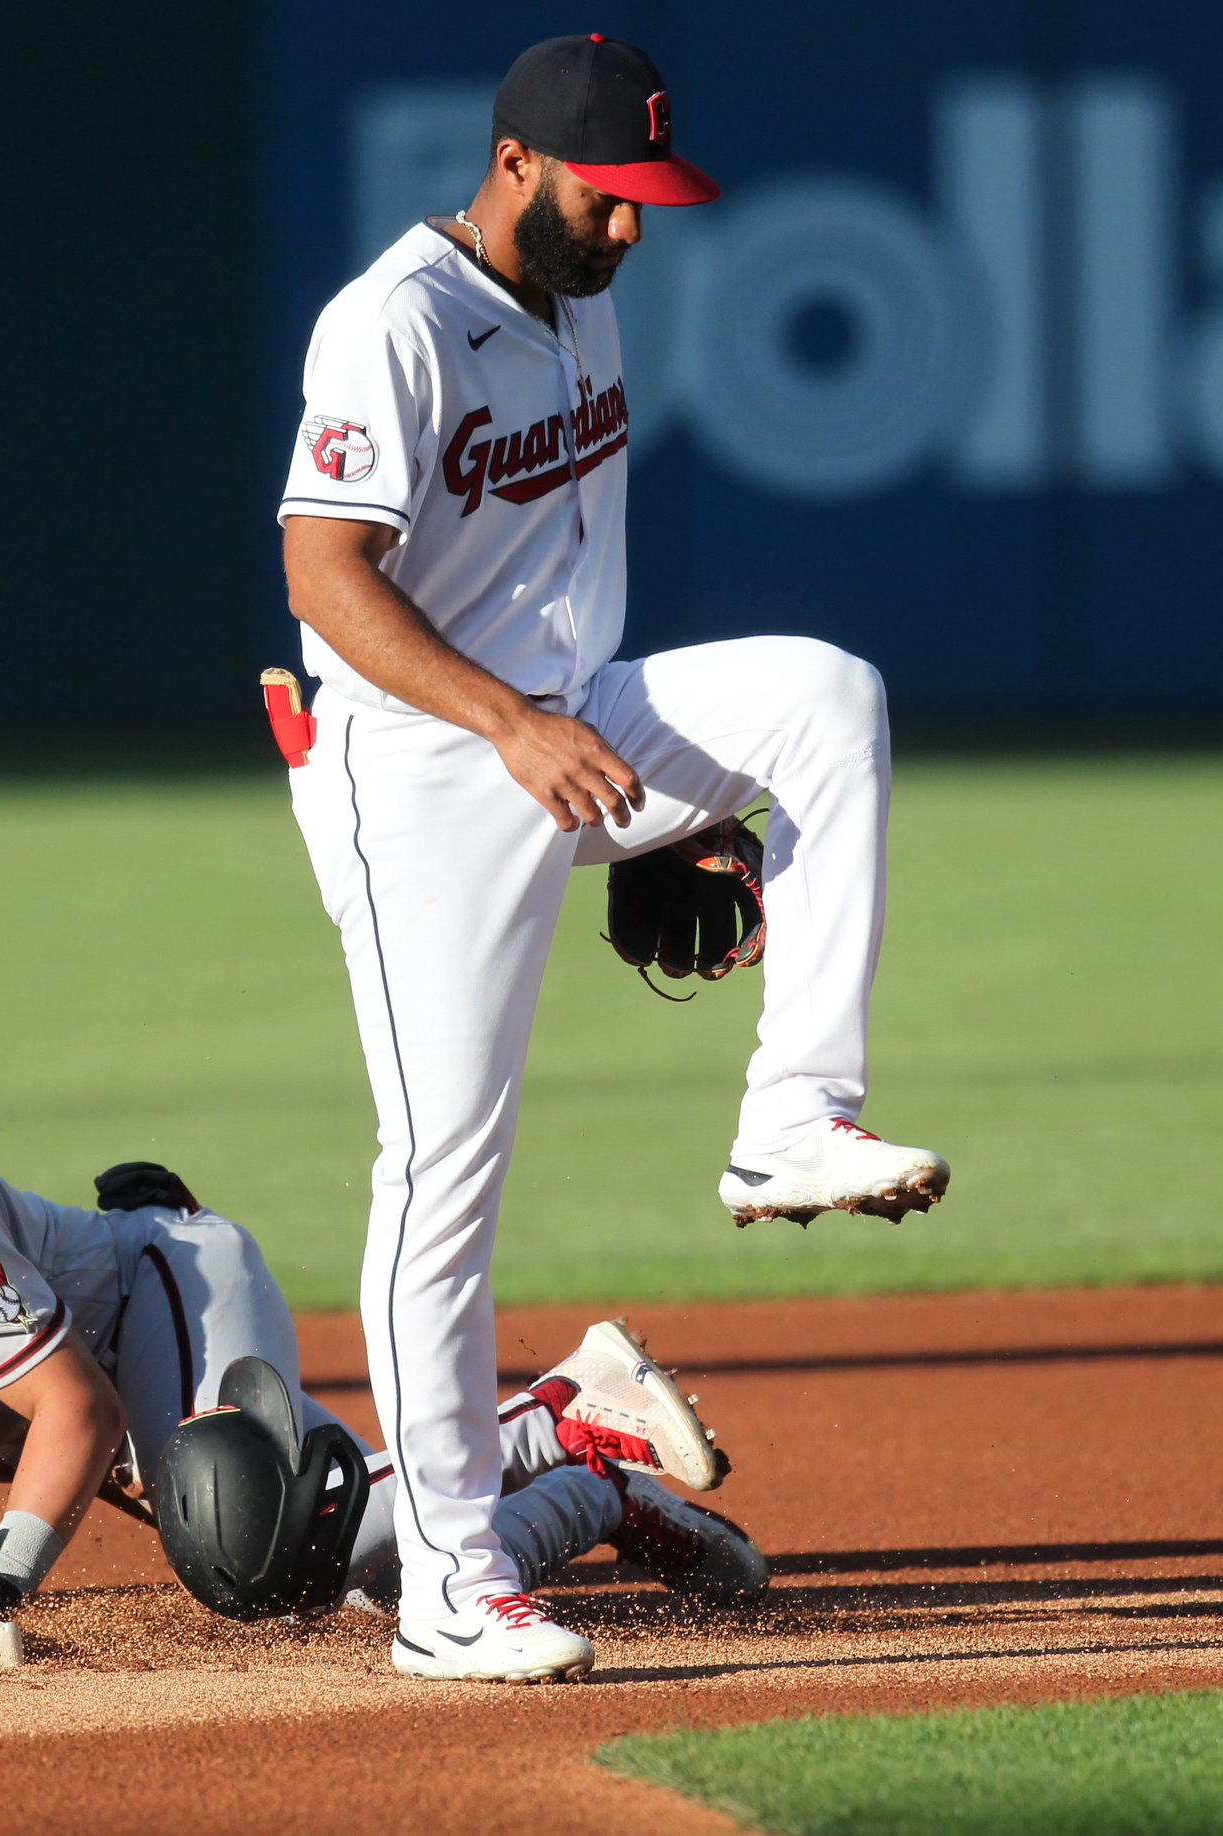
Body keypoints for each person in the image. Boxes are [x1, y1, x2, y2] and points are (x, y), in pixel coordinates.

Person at [276, 34, 950, 1681]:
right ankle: (447, 1579)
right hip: (425, 770)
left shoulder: (581, 291)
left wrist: (679, 804)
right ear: (516, 164)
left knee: (823, 699)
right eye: (610, 194)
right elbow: (323, 577)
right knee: (444, 1174)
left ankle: (790, 1118)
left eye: (651, 197)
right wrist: (510, 725)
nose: (634, 228)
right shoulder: (395, 324)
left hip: (572, 722)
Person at [0, 991, 765, 1668]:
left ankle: (545, 1412)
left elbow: (75, 1410)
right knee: (356, 1579)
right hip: (88, 1359)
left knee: (248, 1566)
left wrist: (2, 1582)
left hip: (155, 1298)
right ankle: (594, 1495)